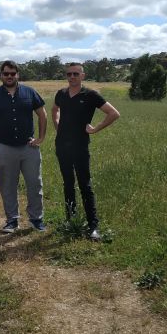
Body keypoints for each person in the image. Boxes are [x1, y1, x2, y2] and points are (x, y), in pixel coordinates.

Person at [52, 62, 120, 242]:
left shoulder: (90, 95)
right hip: (61, 145)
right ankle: (71, 220)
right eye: (69, 74)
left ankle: (93, 227)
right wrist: (58, 125)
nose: (72, 77)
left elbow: (113, 113)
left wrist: (95, 128)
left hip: (80, 146)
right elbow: (54, 110)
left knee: (85, 185)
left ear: (83, 76)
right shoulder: (61, 94)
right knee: (68, 183)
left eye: (75, 74)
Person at [0, 60, 47, 233]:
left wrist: (40, 137)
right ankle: (12, 220)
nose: (9, 76)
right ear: (1, 75)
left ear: (17, 74)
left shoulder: (30, 92)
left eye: (12, 73)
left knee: (35, 184)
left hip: (29, 147)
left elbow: (42, 115)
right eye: (6, 74)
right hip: (4, 147)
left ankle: (36, 219)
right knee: (8, 184)